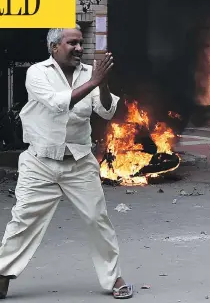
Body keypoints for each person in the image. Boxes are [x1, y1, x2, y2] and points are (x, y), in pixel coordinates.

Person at [0, 25, 133, 299]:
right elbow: (58, 104)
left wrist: (103, 84)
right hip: (40, 162)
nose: (79, 48)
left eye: (81, 43)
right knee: (23, 220)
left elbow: (106, 111)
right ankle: (2, 274)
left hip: (79, 162)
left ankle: (114, 279)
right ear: (54, 47)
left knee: (98, 219)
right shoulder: (38, 73)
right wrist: (95, 82)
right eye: (72, 43)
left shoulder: (89, 74)